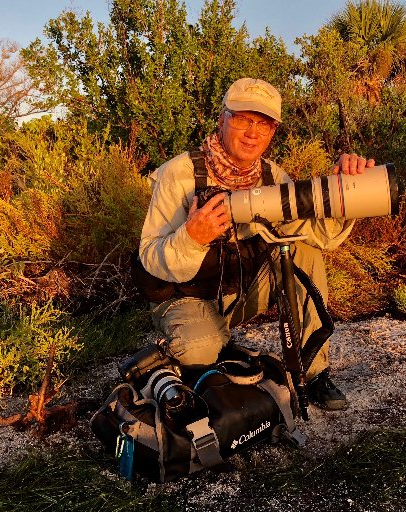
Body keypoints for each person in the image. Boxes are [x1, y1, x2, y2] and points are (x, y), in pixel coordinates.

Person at [139, 77, 375, 410]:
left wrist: (347, 193)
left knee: (303, 252)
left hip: (238, 293)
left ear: (273, 132)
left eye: (263, 125)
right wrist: (192, 237)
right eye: (243, 120)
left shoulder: (273, 178)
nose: (253, 133)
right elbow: (150, 256)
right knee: (201, 349)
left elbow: (319, 236)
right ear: (222, 119)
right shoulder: (179, 174)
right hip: (186, 295)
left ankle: (313, 371)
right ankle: (193, 344)